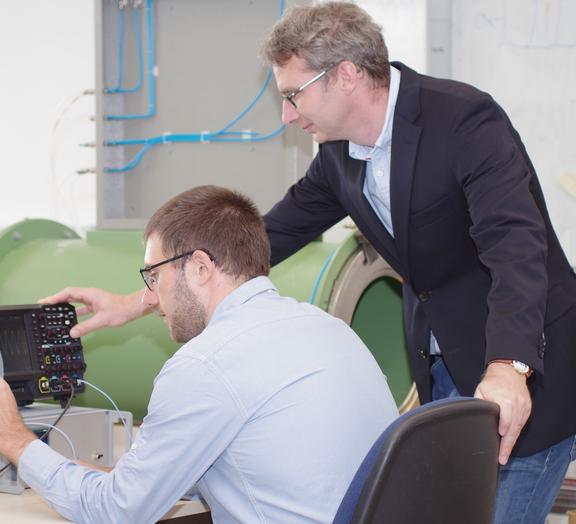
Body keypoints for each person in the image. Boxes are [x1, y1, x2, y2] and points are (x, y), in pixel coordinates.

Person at [44, 3, 576, 522]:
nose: (287, 115)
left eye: (293, 95)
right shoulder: (339, 156)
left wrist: (509, 367)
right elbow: (254, 244)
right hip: (444, 366)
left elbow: (517, 248)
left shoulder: (462, 119)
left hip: (524, 365)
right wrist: (145, 298)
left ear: (344, 75)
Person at [0, 185, 398, 523]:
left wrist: (14, 438)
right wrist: (135, 481)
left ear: (201, 268)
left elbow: (115, 513)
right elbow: (268, 465)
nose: (151, 295)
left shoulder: (206, 365)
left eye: (153, 275)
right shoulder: (331, 330)